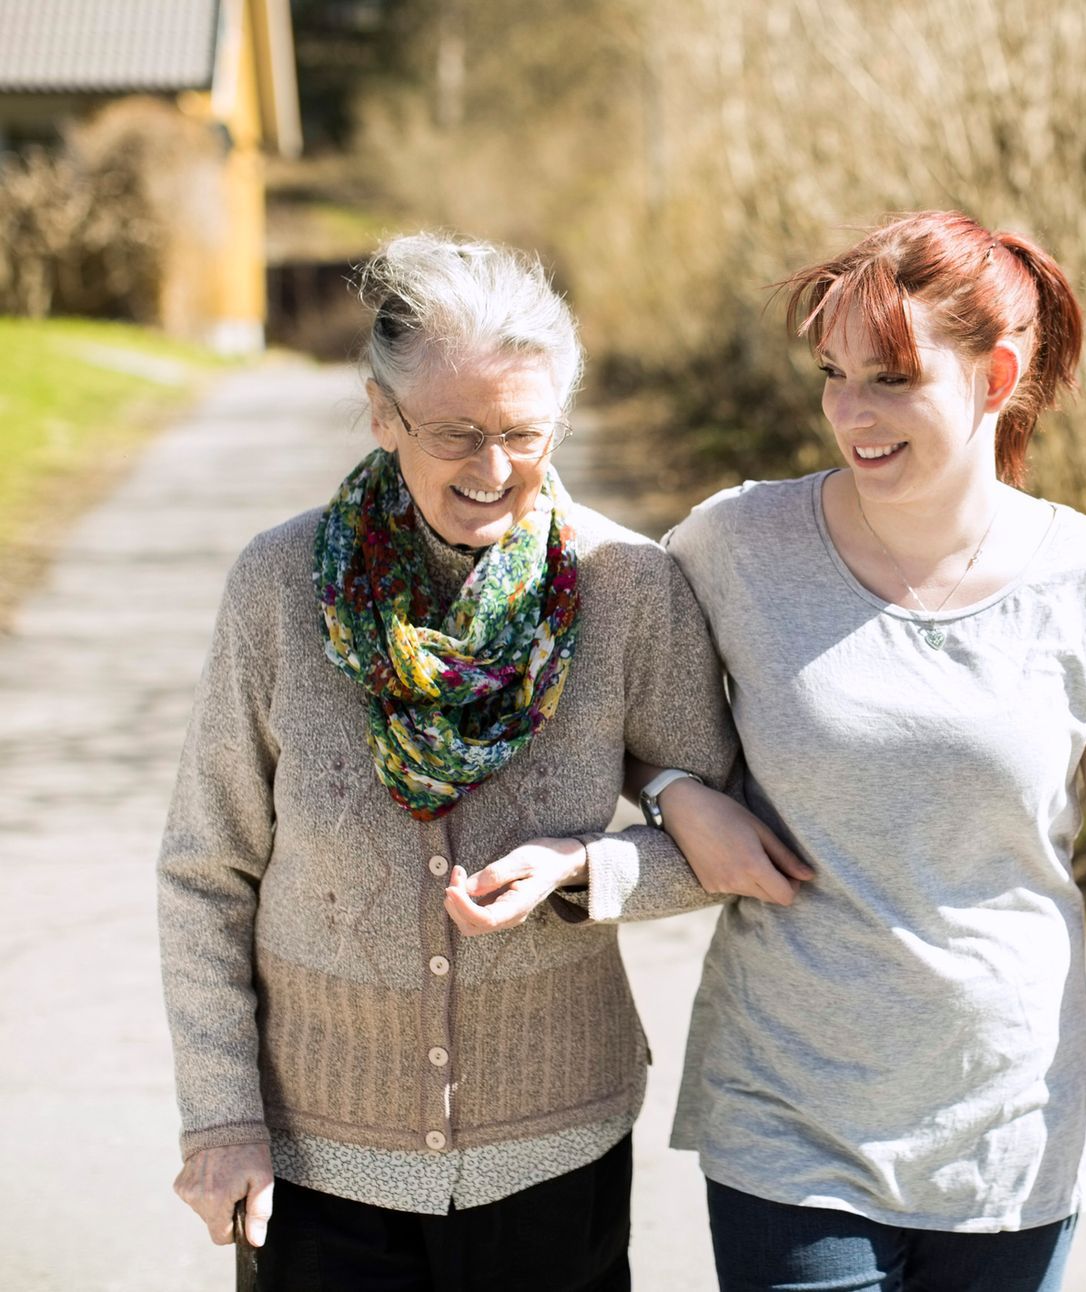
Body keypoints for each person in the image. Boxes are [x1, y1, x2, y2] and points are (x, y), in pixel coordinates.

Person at [157, 232, 799, 1290]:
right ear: (381, 413)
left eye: (523, 432)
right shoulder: (277, 585)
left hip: (554, 1151)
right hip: (318, 1161)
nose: (493, 470)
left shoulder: (626, 586)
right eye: (456, 431)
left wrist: (587, 869)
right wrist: (221, 1114)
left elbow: (723, 829)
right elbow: (205, 867)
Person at [650, 211, 1086, 1290]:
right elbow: (612, 682)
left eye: (890, 378)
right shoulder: (737, 544)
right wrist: (677, 789)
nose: (849, 413)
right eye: (833, 372)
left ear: (997, 373)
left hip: (1012, 1125)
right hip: (789, 1114)